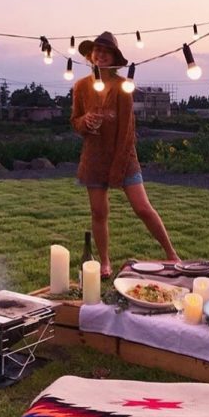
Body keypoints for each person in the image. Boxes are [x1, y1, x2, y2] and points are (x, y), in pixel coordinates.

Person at [70, 32, 180, 278]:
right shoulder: (80, 87)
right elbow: (75, 122)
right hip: (94, 158)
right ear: (90, 55)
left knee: (142, 208)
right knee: (99, 212)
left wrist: (118, 169)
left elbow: (127, 132)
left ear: (113, 58)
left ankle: (172, 254)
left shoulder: (123, 88)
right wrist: (85, 122)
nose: (100, 55)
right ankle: (106, 262)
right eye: (97, 50)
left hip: (124, 156)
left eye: (105, 52)